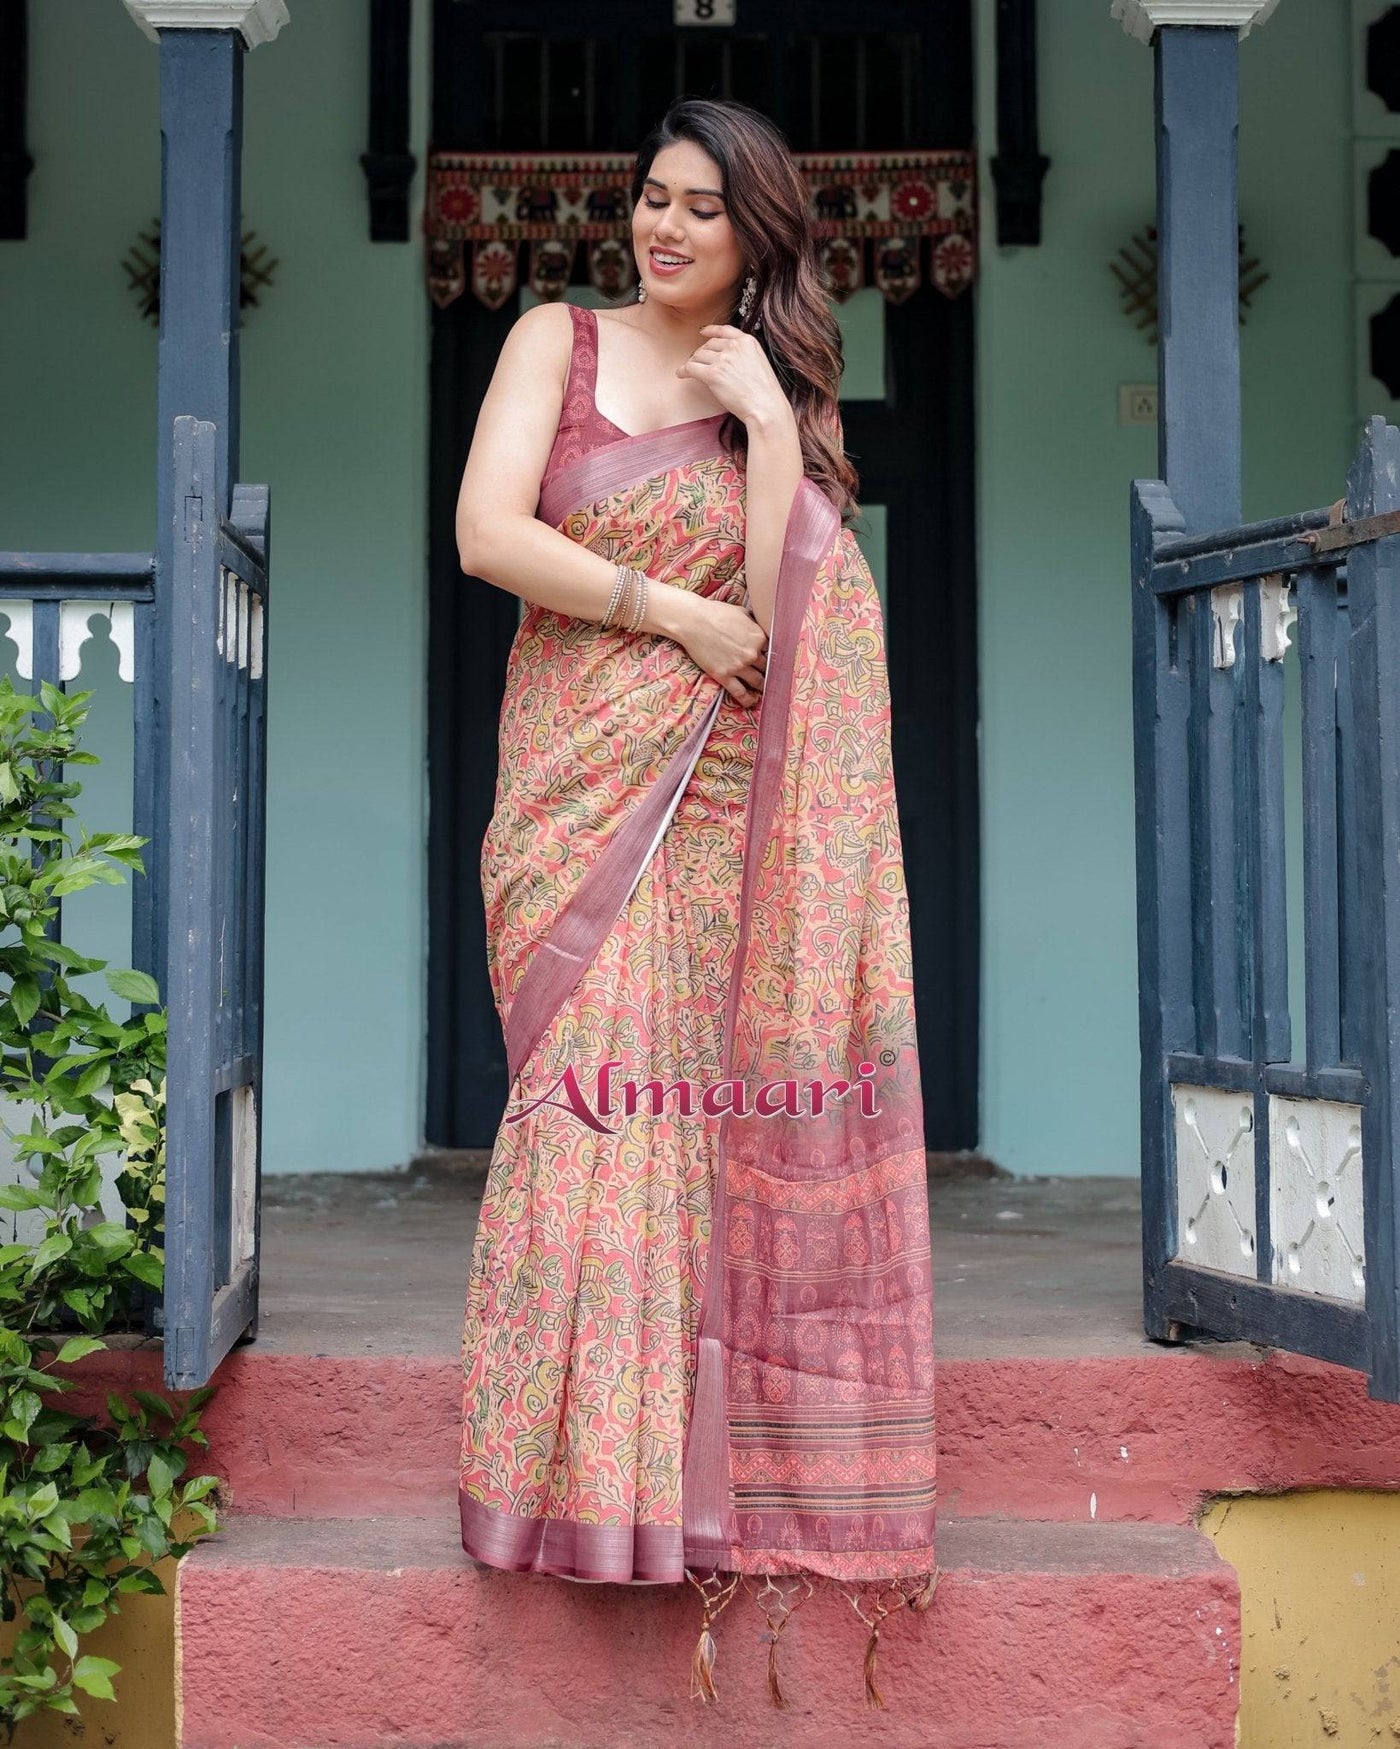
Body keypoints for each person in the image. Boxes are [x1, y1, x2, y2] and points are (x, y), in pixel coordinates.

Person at [453, 94, 940, 1709]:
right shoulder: (556, 341)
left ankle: (664, 1492)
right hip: (573, 792)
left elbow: (783, 612)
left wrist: (780, 427)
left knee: (663, 1136)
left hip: (713, 802)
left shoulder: (763, 385)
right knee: (581, 1119)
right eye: (652, 198)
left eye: (700, 209)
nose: (663, 227)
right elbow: (486, 532)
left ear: (757, 237)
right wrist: (663, 612)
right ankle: (553, 1481)